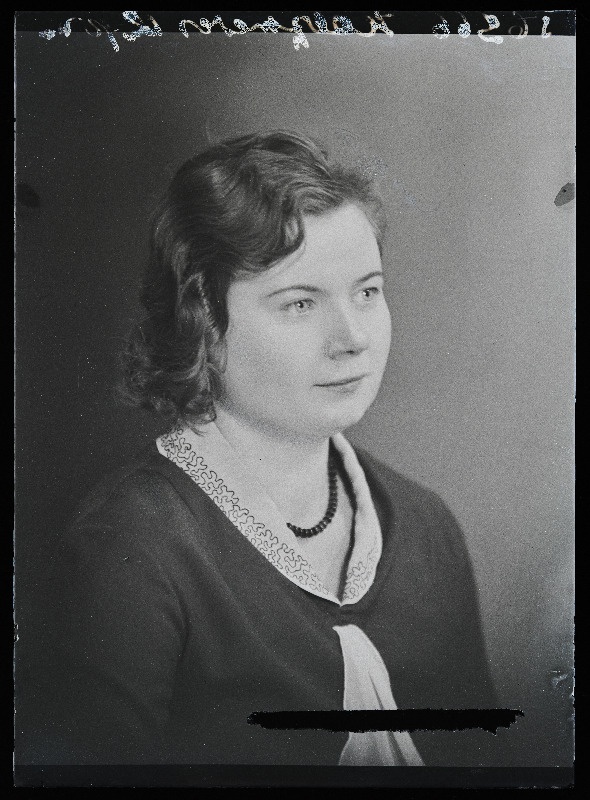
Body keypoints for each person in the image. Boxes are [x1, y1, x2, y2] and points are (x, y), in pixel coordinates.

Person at [36, 131, 502, 767]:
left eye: (367, 291)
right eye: (301, 303)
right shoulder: (131, 544)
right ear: (203, 321)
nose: (353, 337)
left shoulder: (425, 526)